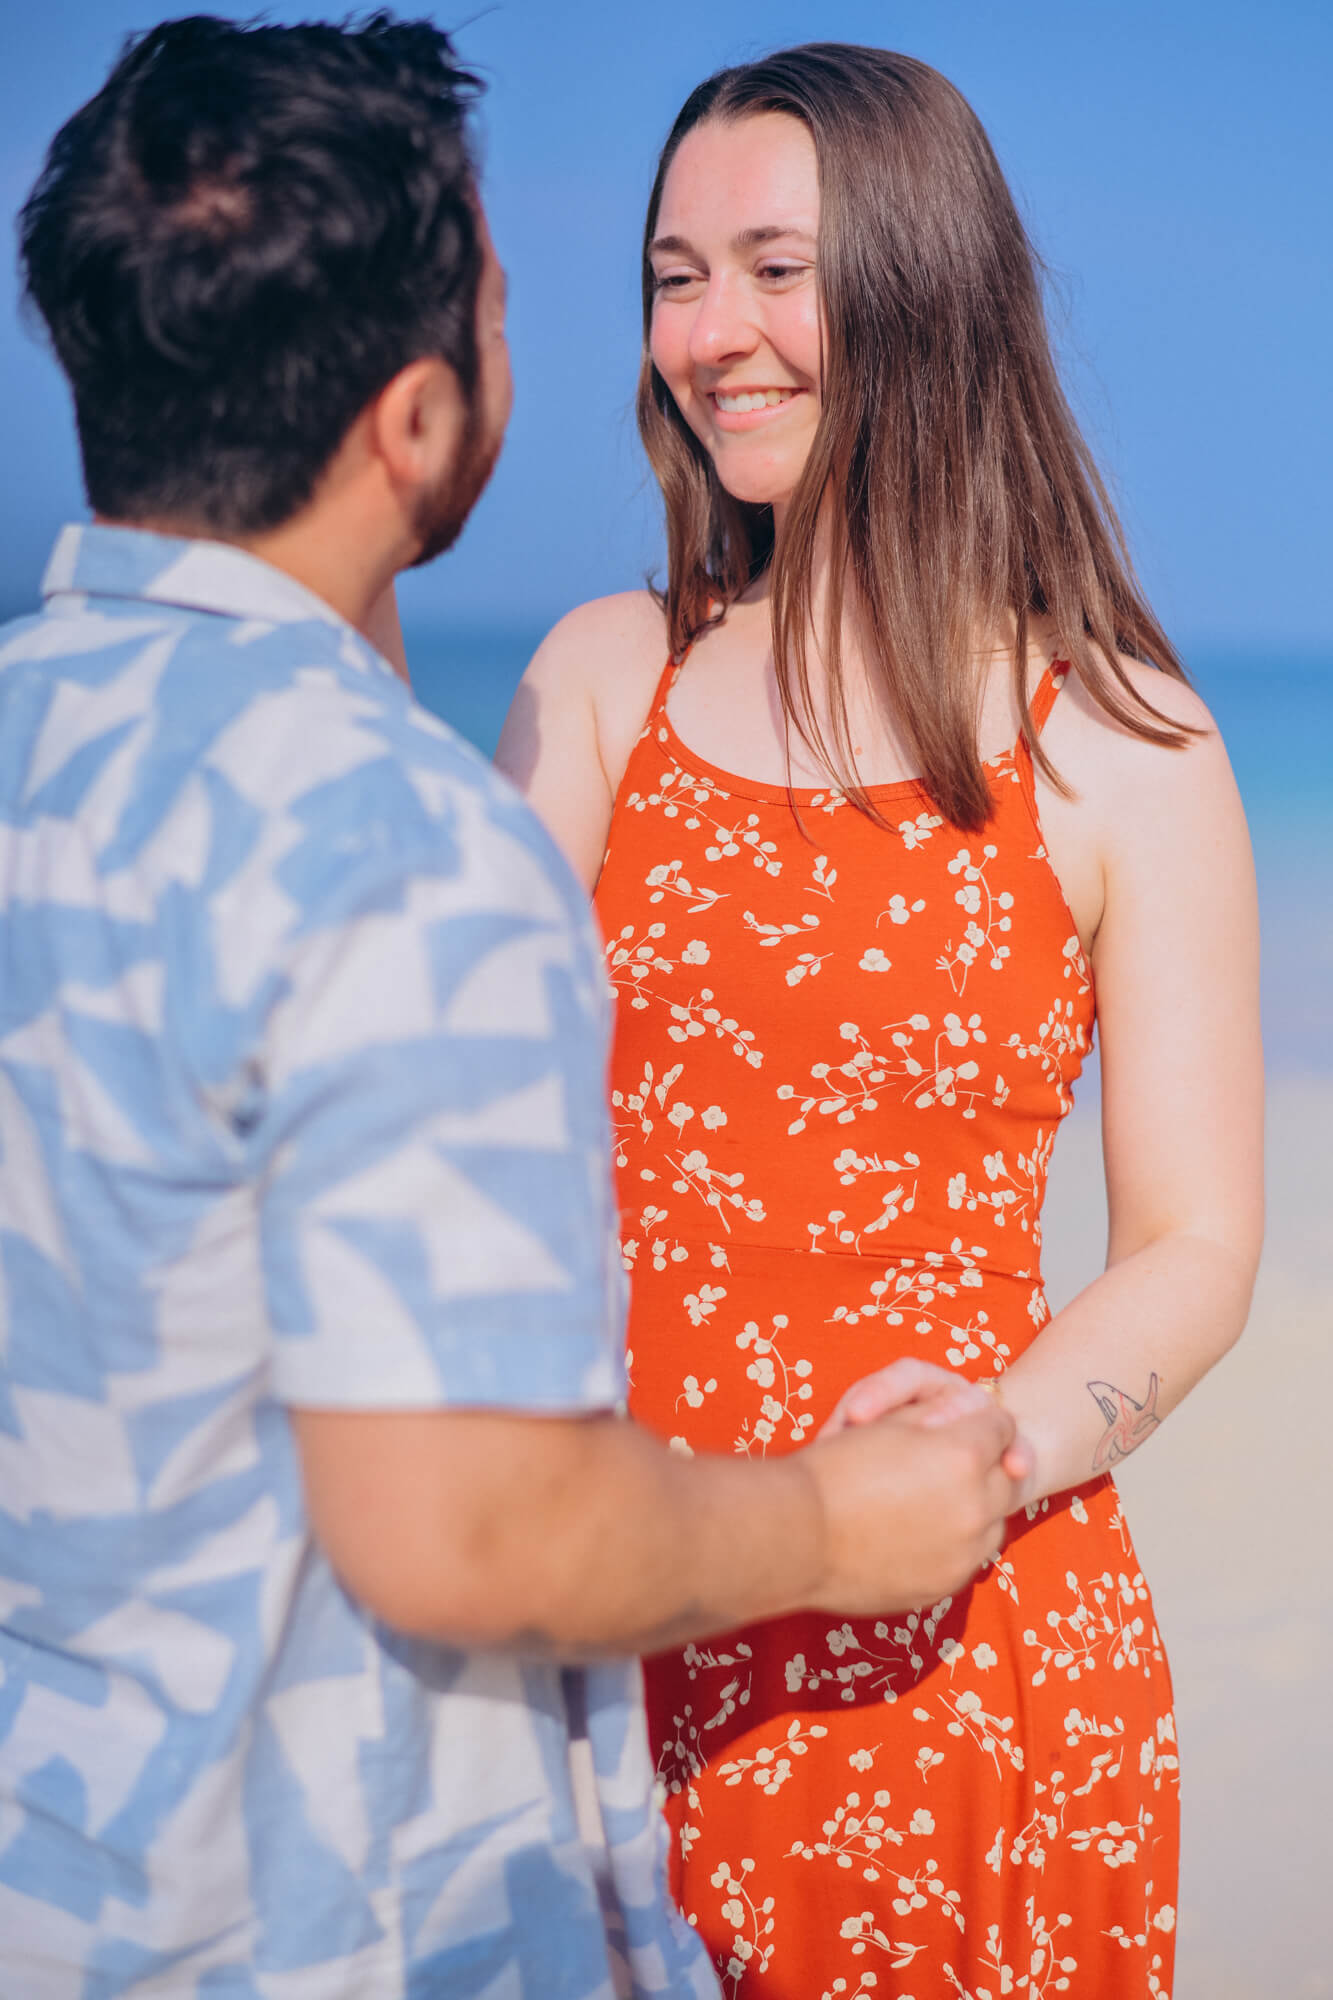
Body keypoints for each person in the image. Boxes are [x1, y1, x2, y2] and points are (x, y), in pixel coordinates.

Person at [0, 19, 1026, 1999]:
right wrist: (832, 1516)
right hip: (326, 1916)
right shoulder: (395, 834)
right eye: (502, 293)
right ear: (414, 419)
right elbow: (470, 1527)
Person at [497, 42, 1263, 2000]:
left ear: (923, 285)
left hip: (965, 1644)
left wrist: (994, 1442)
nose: (713, 333)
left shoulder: (1122, 745)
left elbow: (1193, 1247)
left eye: (774, 266)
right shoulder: (605, 684)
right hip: (623, 1615)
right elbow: (463, 1146)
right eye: (675, 275)